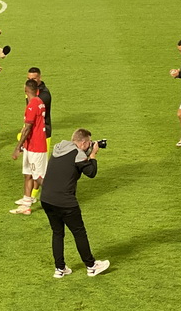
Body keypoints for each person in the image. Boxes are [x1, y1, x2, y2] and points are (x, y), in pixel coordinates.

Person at [40, 128, 110, 279]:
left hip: (46, 199)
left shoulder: (59, 148)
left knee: (57, 233)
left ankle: (59, 269)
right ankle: (91, 266)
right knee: (79, 233)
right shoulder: (78, 154)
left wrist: (87, 152)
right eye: (89, 142)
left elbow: (72, 162)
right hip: (65, 202)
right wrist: (93, 154)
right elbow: (91, 172)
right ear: (84, 142)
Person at [10, 79, 48, 215]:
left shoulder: (32, 105)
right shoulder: (39, 102)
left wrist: (17, 147)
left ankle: (57, 196)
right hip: (31, 145)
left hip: (36, 147)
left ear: (25, 89)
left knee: (38, 176)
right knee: (28, 174)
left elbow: (27, 129)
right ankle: (26, 203)